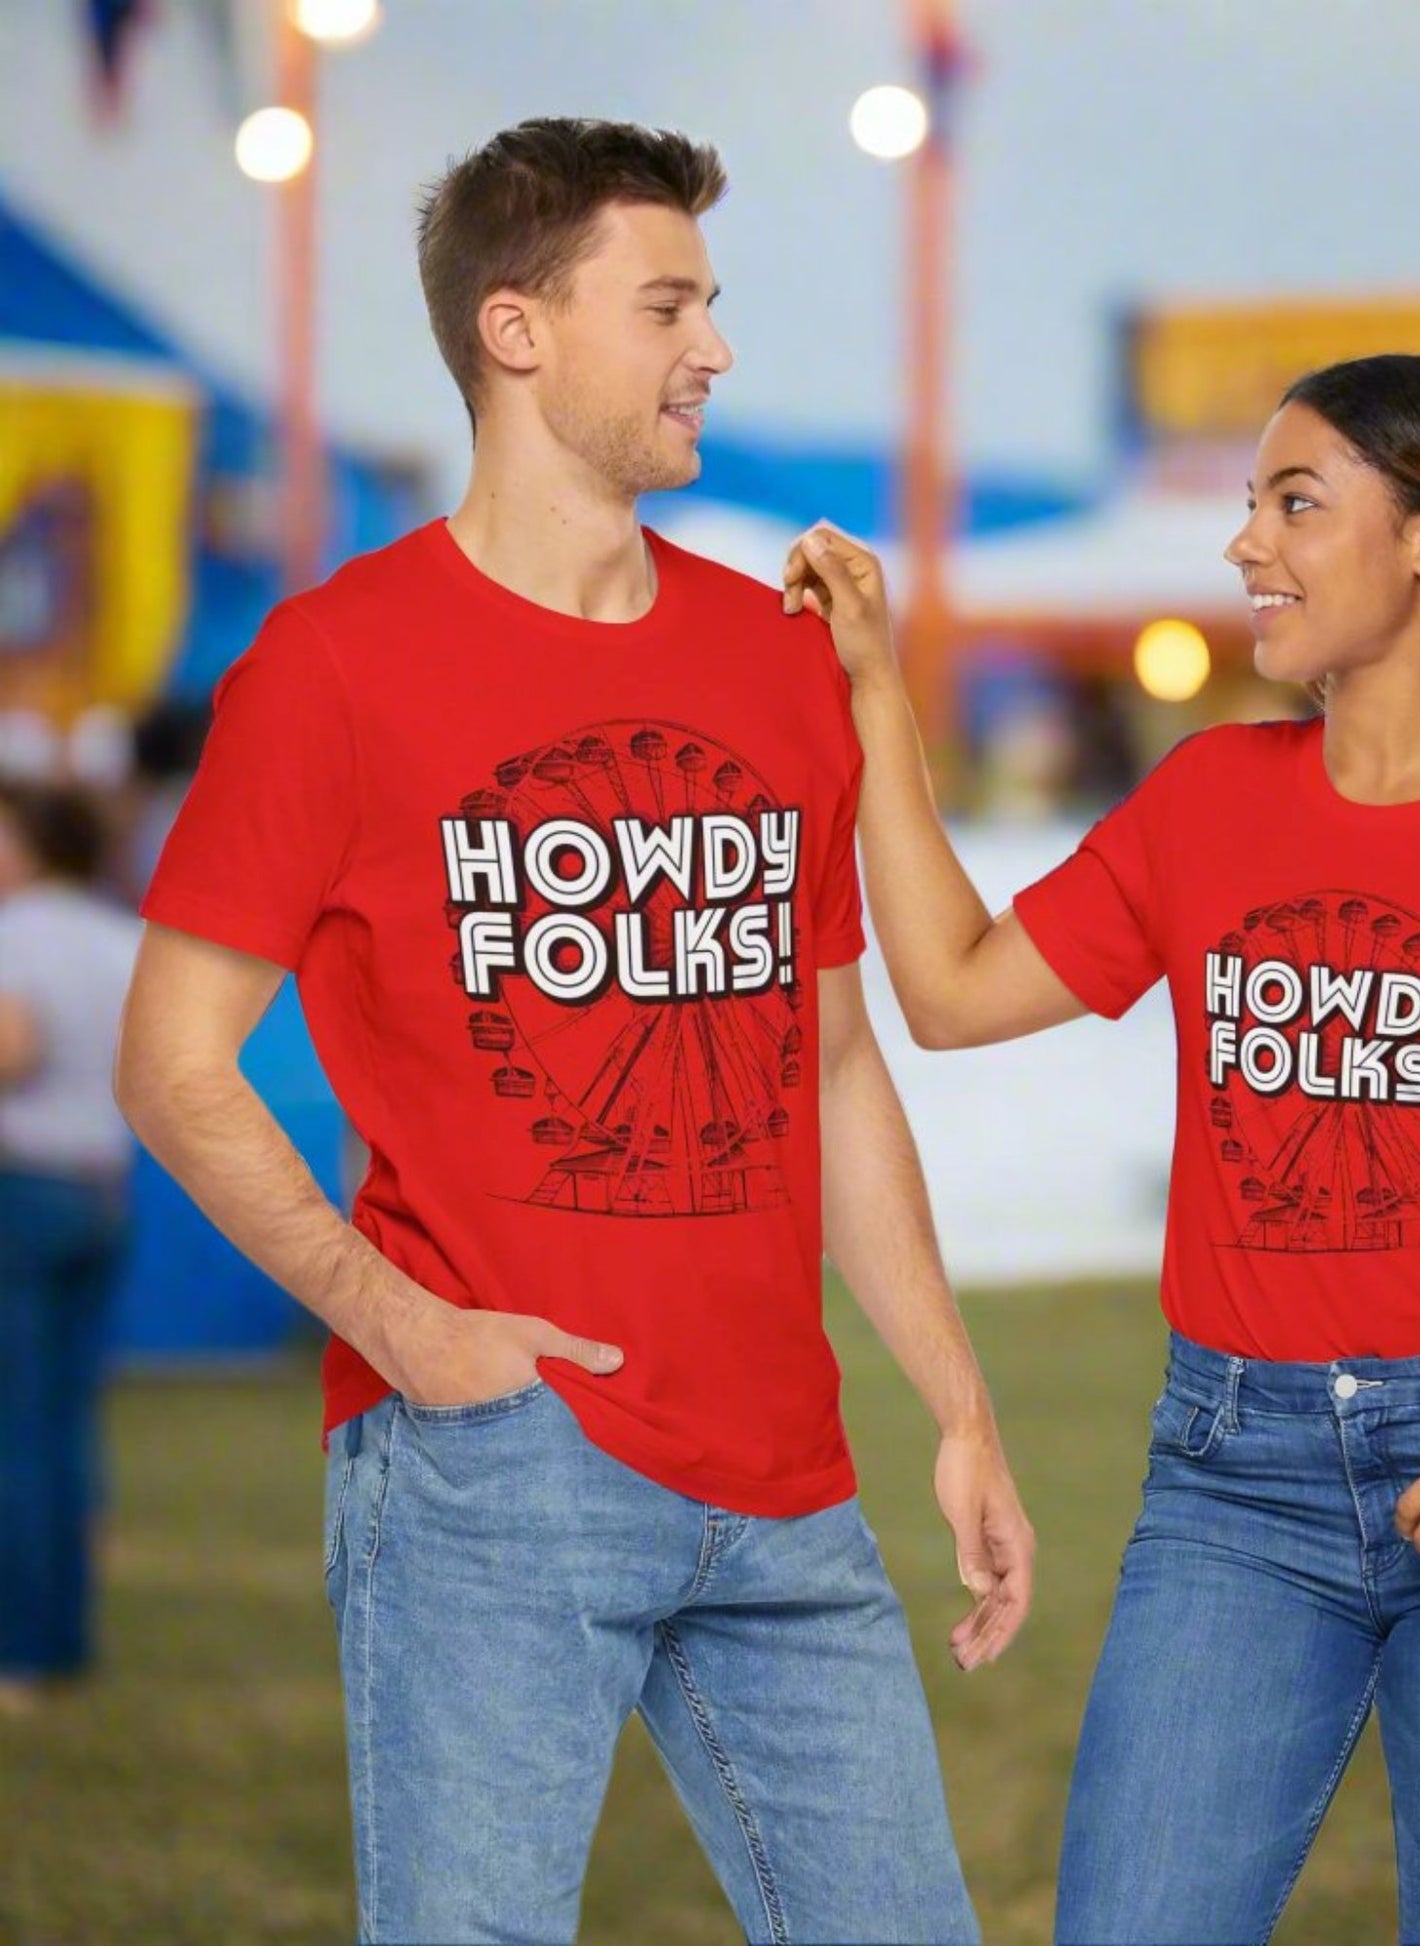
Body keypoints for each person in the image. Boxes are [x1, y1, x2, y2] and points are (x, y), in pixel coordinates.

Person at [782, 354, 1420, 1945]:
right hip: (1232, 1485)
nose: (1244, 545)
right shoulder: (1210, 797)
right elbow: (946, 992)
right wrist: (874, 689)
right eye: (1248, 503)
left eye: (1294, 501)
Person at [117, 119, 1029, 1946]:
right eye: (670, 301)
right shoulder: (332, 663)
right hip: (492, 1461)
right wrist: (403, 1326)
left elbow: (832, 1060)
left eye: (714, 300)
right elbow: (172, 1059)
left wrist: (951, 1392)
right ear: (517, 330)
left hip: (787, 1470)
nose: (717, 346)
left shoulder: (777, 660)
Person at [0, 782, 142, 1715]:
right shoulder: (122, 936)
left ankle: (22, 1648)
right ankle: (63, 1634)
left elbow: (14, 1052)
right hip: (103, 1187)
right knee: (63, 1421)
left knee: (17, 1430)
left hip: (23, 1189)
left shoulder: (19, 934)